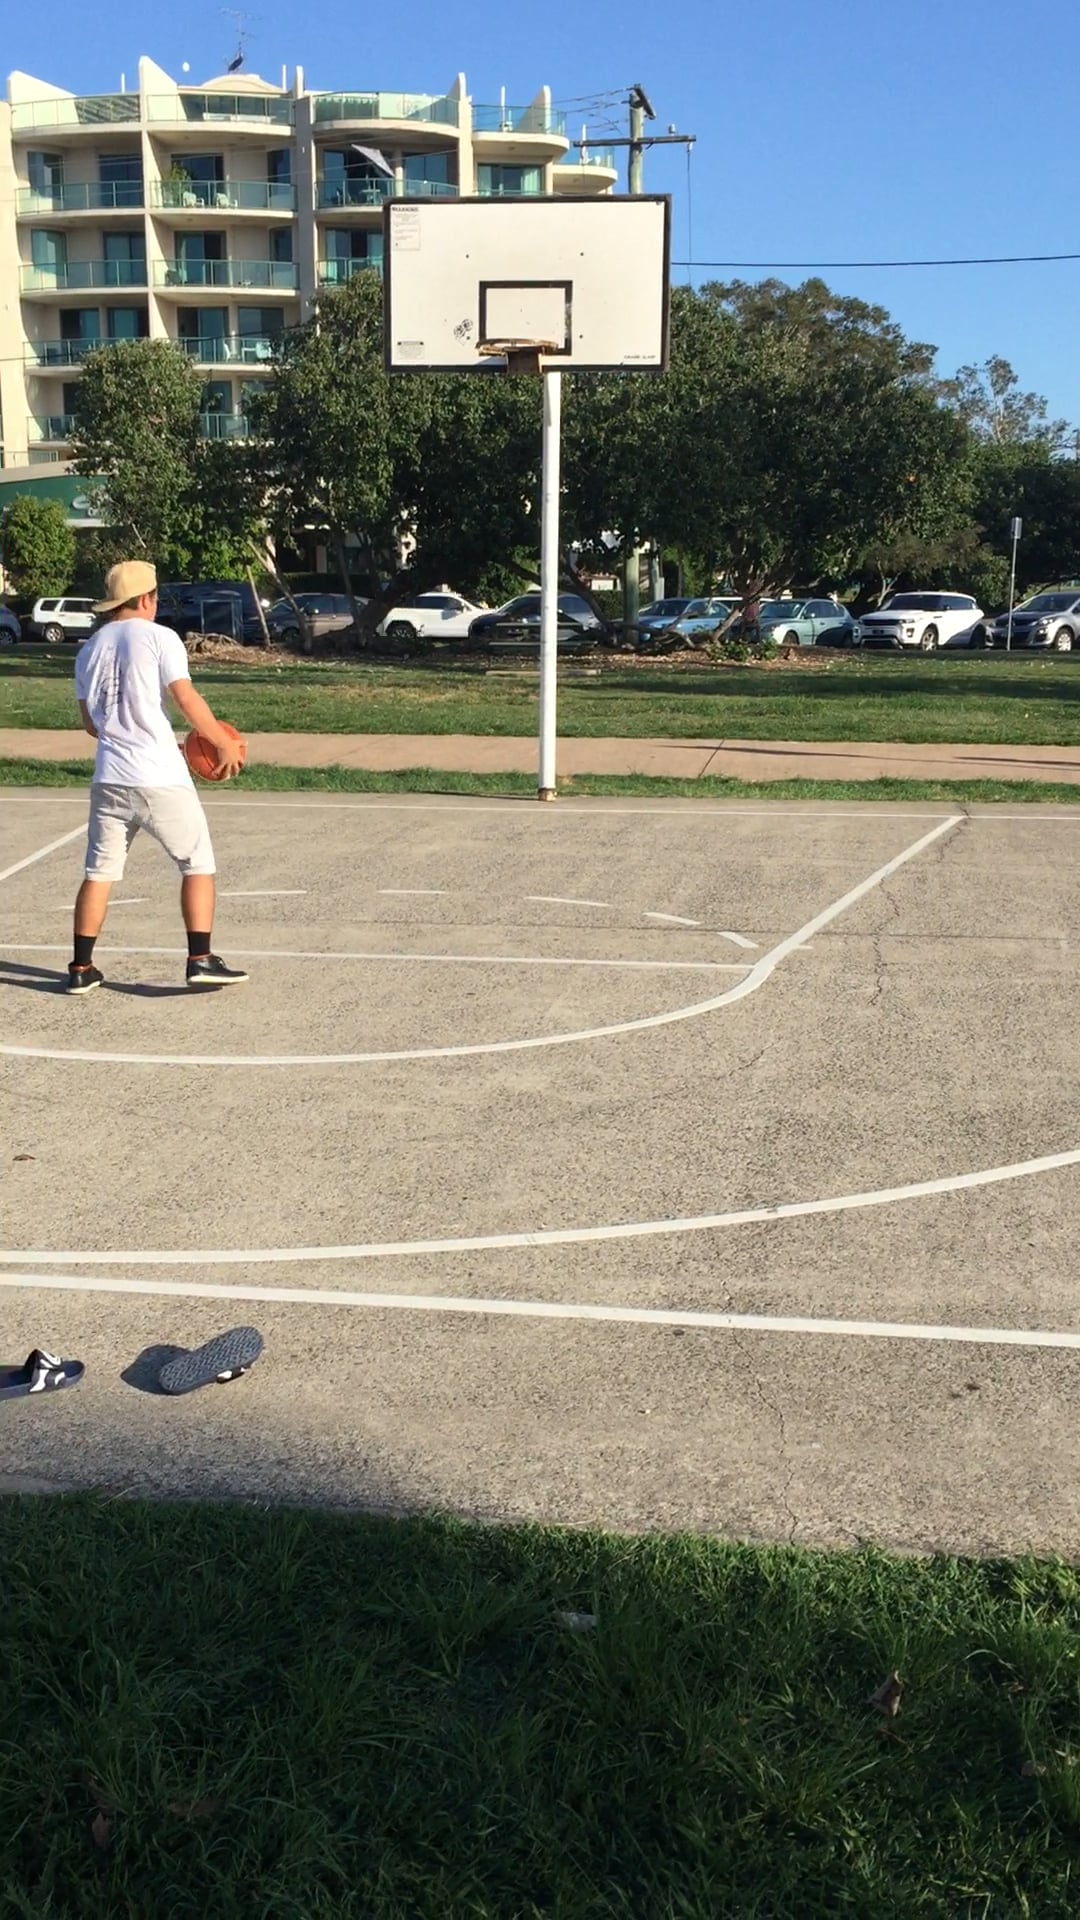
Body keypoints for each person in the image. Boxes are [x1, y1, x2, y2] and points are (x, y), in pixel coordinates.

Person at [66, 559, 249, 996]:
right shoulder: (160, 637)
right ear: (147, 599)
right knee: (197, 863)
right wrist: (218, 742)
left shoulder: (89, 649)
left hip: (109, 776)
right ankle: (200, 959)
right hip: (159, 775)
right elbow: (184, 697)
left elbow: (92, 723)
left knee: (99, 872)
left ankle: (80, 967)